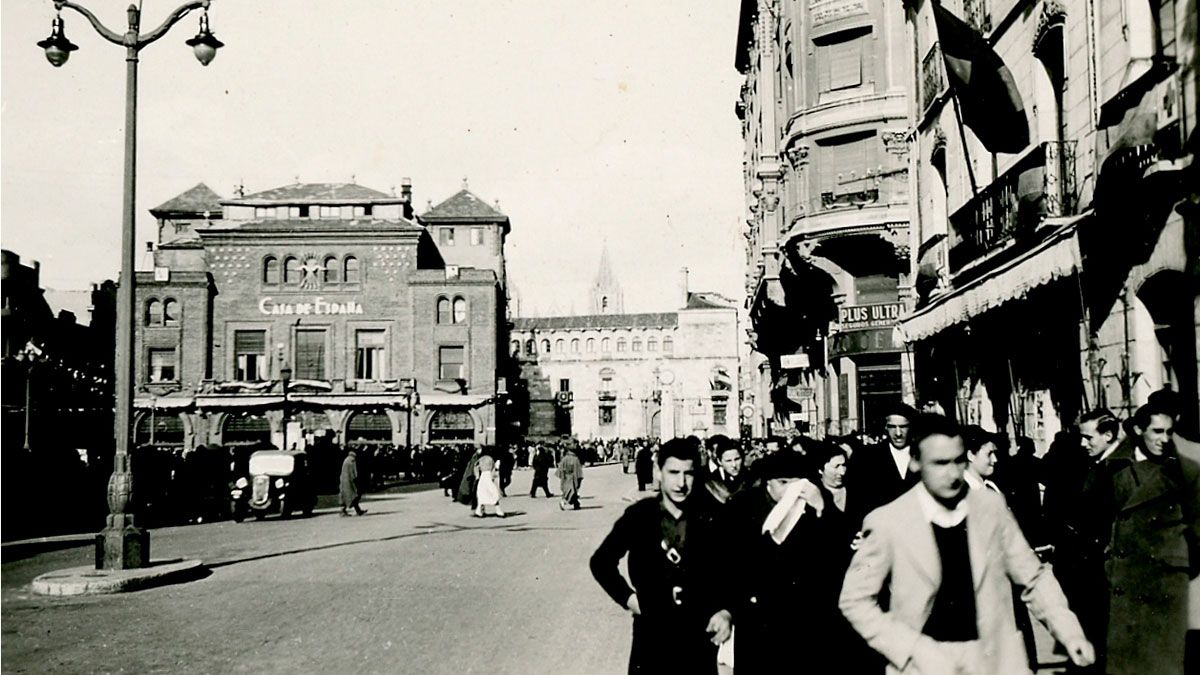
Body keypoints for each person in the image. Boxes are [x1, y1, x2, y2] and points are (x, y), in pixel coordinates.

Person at [839, 414, 1095, 674]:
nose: (952, 474)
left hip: (995, 661)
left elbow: (1033, 579)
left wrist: (1069, 632)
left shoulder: (991, 508)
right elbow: (855, 600)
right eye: (939, 463)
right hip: (922, 666)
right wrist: (904, 648)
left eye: (958, 461)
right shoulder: (887, 521)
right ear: (915, 462)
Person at [589, 438, 732, 674]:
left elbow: (737, 567)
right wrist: (629, 599)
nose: (681, 483)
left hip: (698, 632)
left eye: (688, 474)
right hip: (652, 633)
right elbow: (601, 562)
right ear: (658, 472)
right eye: (673, 472)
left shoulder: (713, 516)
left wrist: (727, 611)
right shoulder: (640, 516)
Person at [1099, 402, 1200, 675]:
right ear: (1137, 429)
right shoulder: (1114, 468)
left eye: (1169, 432)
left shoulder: (1185, 469)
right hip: (1124, 581)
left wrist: (1179, 561)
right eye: (1157, 431)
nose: (1164, 439)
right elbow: (1094, 520)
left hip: (1166, 584)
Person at [724, 449, 840, 674]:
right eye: (783, 482)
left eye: (797, 483)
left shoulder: (815, 502)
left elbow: (839, 548)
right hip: (758, 615)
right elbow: (730, 559)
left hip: (804, 617)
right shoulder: (743, 506)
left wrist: (823, 511)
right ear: (768, 483)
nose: (791, 490)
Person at [847, 403, 920, 527]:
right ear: (885, 427)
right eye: (892, 427)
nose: (898, 433)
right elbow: (855, 504)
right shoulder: (866, 458)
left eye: (903, 427)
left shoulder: (923, 456)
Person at [473, 449, 505, 518]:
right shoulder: (491, 459)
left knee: (481, 493)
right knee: (493, 492)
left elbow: (475, 466)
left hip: (482, 477)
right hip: (489, 476)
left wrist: (477, 476)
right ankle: (498, 510)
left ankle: (479, 511)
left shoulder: (480, 459)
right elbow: (493, 468)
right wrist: (493, 477)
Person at [339, 448, 367, 516]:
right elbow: (354, 472)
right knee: (354, 495)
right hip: (350, 481)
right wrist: (356, 480)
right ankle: (344, 511)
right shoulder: (352, 460)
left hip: (344, 480)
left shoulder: (347, 459)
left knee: (348, 495)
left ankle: (357, 510)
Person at [558, 446, 584, 511]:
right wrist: (579, 478)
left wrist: (562, 476)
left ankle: (576, 504)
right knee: (572, 491)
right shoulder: (575, 459)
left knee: (567, 491)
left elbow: (560, 469)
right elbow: (578, 470)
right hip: (572, 477)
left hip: (565, 477)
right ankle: (564, 502)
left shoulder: (564, 459)